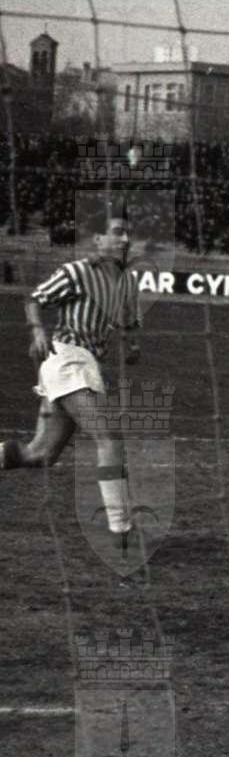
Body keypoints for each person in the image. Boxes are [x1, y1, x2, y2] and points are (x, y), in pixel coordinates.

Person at [0, 211, 142, 552]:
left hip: (86, 365)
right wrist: (37, 331)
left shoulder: (127, 283)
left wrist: (132, 345)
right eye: (117, 232)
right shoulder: (76, 272)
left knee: (39, 455)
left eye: (127, 234)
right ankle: (122, 527)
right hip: (67, 358)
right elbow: (36, 299)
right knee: (108, 438)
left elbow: (127, 324)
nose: (124, 239)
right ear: (98, 239)